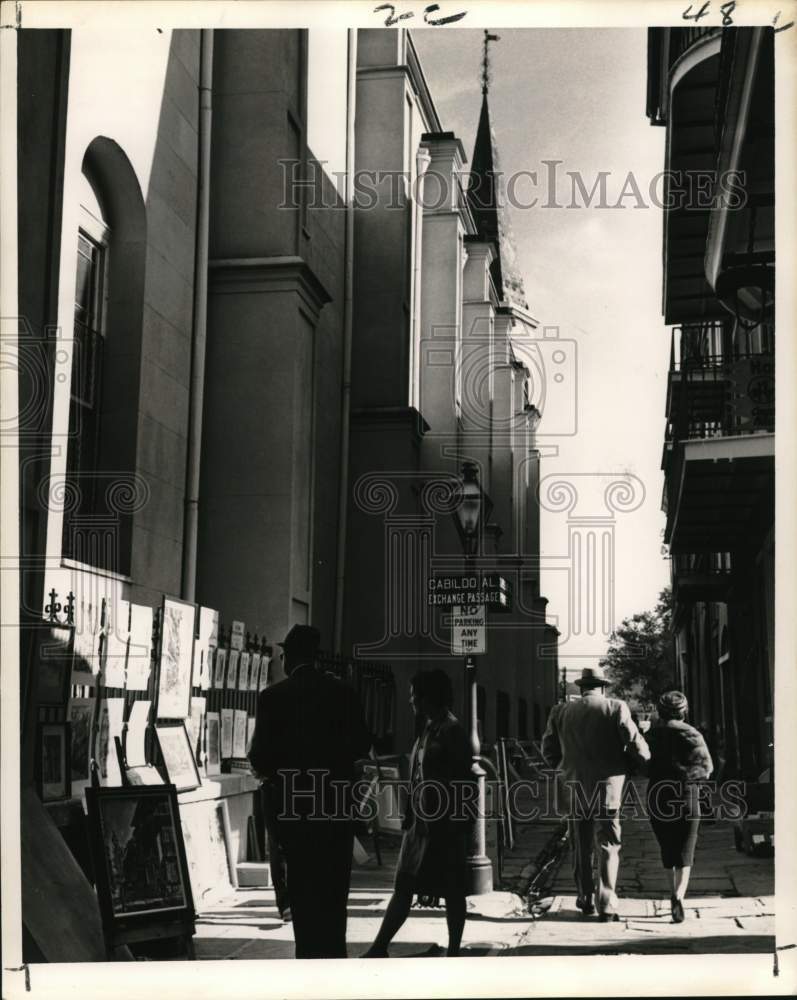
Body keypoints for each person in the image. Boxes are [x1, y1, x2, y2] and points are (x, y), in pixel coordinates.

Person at [248, 625, 372, 958]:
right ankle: (334, 960)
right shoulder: (342, 693)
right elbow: (363, 743)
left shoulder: (272, 697)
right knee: (334, 898)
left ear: (289, 657)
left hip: (295, 814)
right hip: (334, 809)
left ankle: (310, 964)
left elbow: (259, 758)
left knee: (303, 899)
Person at [364, 669, 473, 957]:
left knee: (451, 892)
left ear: (428, 697)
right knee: (404, 886)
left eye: (415, 695)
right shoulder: (428, 728)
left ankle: (454, 951)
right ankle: (379, 947)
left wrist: (457, 827)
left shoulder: (452, 731)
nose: (411, 701)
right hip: (420, 828)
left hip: (444, 829)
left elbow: (464, 785)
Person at [542, 664, 650, 921]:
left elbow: (548, 750)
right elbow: (637, 746)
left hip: (574, 787)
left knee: (580, 845)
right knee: (610, 844)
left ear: (581, 688)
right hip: (608, 788)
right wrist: (640, 763)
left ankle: (585, 898)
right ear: (603, 687)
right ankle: (607, 902)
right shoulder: (616, 708)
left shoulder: (561, 711)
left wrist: (564, 768)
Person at [646, 690, 713, 923]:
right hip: (686, 795)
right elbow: (707, 769)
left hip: (657, 795)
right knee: (686, 849)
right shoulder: (692, 734)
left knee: (668, 847)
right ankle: (678, 896)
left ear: (661, 712)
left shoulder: (652, 735)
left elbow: (641, 765)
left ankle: (670, 891)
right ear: (685, 711)